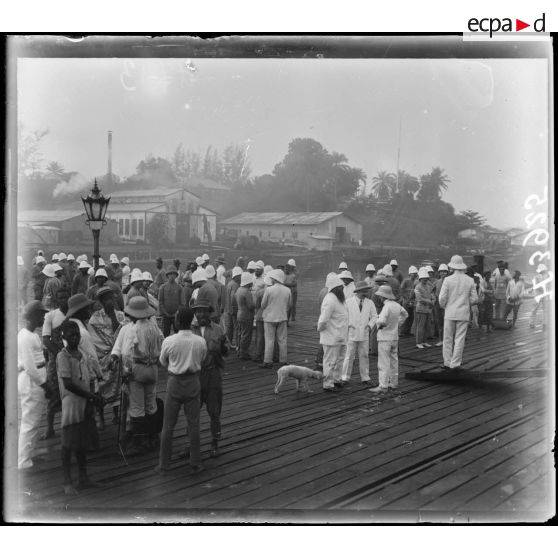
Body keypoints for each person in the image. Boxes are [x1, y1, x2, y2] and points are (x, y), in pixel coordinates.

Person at [155, 307, 207, 475]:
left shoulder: (169, 341)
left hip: (175, 382)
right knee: (194, 424)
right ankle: (196, 462)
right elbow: (203, 358)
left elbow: (163, 361)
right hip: (193, 381)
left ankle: (164, 465)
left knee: (168, 425)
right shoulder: (200, 341)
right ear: (192, 321)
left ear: (177, 321)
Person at [57, 321, 105, 494]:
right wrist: (89, 395)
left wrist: (94, 396)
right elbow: (68, 383)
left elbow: (90, 378)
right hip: (71, 403)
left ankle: (83, 478)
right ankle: (67, 482)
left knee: (82, 441)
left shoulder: (82, 354)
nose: (75, 338)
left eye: (77, 334)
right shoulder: (63, 356)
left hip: (85, 401)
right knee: (68, 443)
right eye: (71, 335)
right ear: (64, 337)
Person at [111, 296, 163, 456]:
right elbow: (161, 345)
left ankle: (138, 442)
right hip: (152, 368)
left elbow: (127, 353)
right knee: (151, 403)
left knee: (136, 406)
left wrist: (126, 372)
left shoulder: (133, 329)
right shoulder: (154, 327)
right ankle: (152, 437)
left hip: (137, 370)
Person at [192, 296, 229, 458]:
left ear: (209, 313)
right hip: (195, 376)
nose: (201, 315)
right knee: (192, 411)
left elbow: (227, 351)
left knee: (214, 411)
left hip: (213, 374)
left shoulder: (218, 329)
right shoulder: (189, 330)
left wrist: (221, 346)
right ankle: (191, 444)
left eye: (204, 311)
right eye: (198, 311)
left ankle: (215, 442)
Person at [87, 286, 126, 429]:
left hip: (116, 357)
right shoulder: (95, 318)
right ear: (102, 301)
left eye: (111, 298)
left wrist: (113, 317)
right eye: (106, 299)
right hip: (102, 359)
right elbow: (95, 340)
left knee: (118, 387)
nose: (110, 301)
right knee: (101, 388)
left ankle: (116, 415)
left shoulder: (121, 315)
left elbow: (122, 335)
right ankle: (101, 417)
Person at [18, 301, 51, 470]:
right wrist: (44, 384)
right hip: (32, 380)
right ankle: (23, 460)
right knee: (30, 421)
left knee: (36, 418)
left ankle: (30, 453)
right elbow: (30, 367)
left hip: (38, 376)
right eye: (41, 315)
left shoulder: (34, 335)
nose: (43, 318)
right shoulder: (24, 337)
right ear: (32, 317)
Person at [439, 255, 478, 370]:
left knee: (447, 339)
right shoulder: (470, 280)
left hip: (450, 313)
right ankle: (455, 364)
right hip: (463, 313)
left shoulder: (447, 280)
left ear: (452, 267)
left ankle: (447, 362)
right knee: (459, 339)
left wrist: (445, 306)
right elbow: (475, 299)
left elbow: (442, 298)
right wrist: (466, 302)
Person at [41, 287, 70, 439]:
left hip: (72, 358)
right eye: (61, 298)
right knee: (53, 391)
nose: (64, 300)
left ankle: (69, 425)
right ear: (57, 299)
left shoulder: (73, 314)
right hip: (55, 358)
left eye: (66, 297)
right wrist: (59, 354)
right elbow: (46, 339)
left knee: (71, 390)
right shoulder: (51, 316)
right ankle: (50, 428)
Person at [369, 286, 408, 393]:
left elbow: (381, 321)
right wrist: (398, 324)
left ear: (382, 297)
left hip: (385, 338)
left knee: (383, 362)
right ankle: (394, 383)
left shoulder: (386, 307)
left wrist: (379, 325)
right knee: (394, 361)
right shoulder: (397, 305)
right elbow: (405, 314)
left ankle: (383, 385)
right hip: (394, 337)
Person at [340, 281, 377, 385]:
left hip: (364, 334)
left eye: (367, 290)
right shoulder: (348, 302)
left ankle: (365, 377)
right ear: (359, 291)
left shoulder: (370, 303)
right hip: (351, 333)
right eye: (365, 291)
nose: (367, 293)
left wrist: (370, 325)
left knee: (364, 355)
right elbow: (343, 315)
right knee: (349, 356)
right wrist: (348, 325)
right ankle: (344, 377)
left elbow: (375, 316)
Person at [318, 274, 348, 391]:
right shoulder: (330, 299)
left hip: (342, 336)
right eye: (340, 287)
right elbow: (323, 320)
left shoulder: (341, 299)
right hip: (331, 337)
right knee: (330, 361)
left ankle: (337, 379)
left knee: (340, 360)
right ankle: (328, 384)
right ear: (334, 288)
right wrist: (322, 330)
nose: (342, 289)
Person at [261, 269, 292, 368]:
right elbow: (290, 305)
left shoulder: (269, 290)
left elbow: (263, 305)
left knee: (269, 340)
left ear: (274, 279)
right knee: (282, 340)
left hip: (269, 318)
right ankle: (283, 360)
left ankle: (268, 361)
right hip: (282, 317)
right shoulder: (287, 290)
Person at [158, 265, 183, 337]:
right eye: (170, 274)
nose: (172, 275)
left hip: (177, 315)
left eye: (173, 274)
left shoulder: (179, 287)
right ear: (167, 275)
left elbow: (182, 303)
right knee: (165, 333)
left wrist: (177, 313)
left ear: (176, 275)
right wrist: (165, 313)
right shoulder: (162, 287)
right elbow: (160, 302)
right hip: (166, 316)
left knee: (178, 334)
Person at [236, 272, 256, 360]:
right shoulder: (247, 292)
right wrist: (256, 303)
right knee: (246, 335)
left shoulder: (239, 290)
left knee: (241, 333)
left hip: (239, 313)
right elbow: (251, 306)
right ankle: (243, 353)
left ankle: (239, 350)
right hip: (246, 315)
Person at [414, 268, 435, 349]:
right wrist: (430, 301)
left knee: (427, 326)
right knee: (420, 326)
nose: (425, 280)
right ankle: (418, 342)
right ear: (420, 279)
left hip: (428, 309)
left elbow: (432, 295)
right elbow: (419, 299)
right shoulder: (417, 287)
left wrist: (433, 301)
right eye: (423, 279)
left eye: (426, 279)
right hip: (421, 309)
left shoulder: (429, 286)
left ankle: (424, 341)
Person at [224, 266, 242, 348]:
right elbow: (233, 298)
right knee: (237, 328)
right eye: (240, 276)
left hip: (228, 309)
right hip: (233, 310)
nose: (241, 278)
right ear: (237, 276)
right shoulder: (235, 285)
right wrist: (235, 309)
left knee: (229, 327)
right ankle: (238, 345)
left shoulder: (229, 283)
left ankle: (229, 343)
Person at [253, 271, 268, 363]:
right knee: (268, 337)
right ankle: (268, 354)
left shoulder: (260, 292)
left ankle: (258, 354)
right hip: (268, 316)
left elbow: (257, 306)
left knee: (259, 336)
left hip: (259, 315)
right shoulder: (271, 291)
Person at [432, 264, 449, 346]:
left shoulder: (450, 281)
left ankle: (447, 340)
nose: (443, 273)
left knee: (448, 322)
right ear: (439, 273)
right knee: (439, 322)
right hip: (438, 304)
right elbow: (431, 291)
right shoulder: (437, 282)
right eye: (442, 272)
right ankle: (441, 340)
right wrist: (433, 297)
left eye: (445, 272)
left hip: (447, 304)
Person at [529, 264, 549, 329]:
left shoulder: (545, 276)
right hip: (538, 293)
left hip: (542, 294)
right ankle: (532, 323)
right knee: (536, 309)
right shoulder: (537, 277)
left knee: (543, 309)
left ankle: (544, 323)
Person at [400, 266, 418, 336]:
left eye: (415, 273)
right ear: (409, 274)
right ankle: (402, 331)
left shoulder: (417, 281)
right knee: (405, 316)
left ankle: (408, 331)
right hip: (406, 301)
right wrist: (405, 297)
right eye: (413, 273)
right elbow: (401, 289)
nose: (414, 274)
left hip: (413, 301)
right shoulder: (406, 281)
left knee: (411, 317)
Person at [284, 259, 298, 323]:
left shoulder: (294, 273)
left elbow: (295, 283)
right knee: (286, 305)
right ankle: (286, 318)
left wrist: (286, 284)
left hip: (293, 291)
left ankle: (293, 317)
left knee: (292, 305)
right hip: (286, 292)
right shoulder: (283, 274)